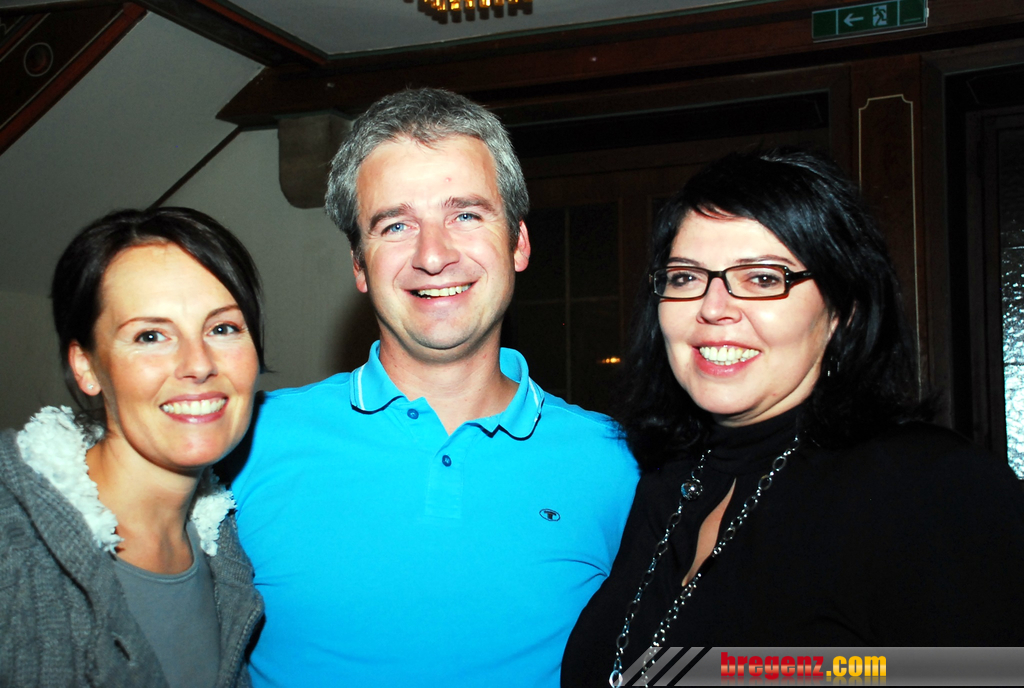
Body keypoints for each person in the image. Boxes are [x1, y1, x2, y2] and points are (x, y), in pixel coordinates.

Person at [561, 148, 1024, 687]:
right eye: (685, 278)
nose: (713, 307)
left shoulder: (932, 487)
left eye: (762, 278)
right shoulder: (666, 483)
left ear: (842, 310)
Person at [227, 87, 639, 687]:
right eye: (396, 225)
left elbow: (714, 654)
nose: (433, 255)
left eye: (465, 215)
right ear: (359, 264)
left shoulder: (620, 464)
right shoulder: (244, 443)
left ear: (518, 243)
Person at [0, 208, 266, 688]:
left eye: (222, 328)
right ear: (86, 366)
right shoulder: (12, 540)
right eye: (150, 336)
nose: (198, 363)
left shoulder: (232, 554)